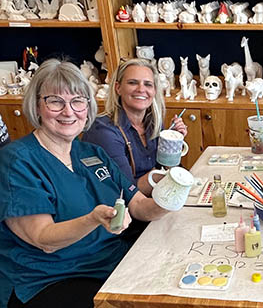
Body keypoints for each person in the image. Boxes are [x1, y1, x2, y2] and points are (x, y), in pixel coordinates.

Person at [0, 58, 172, 308]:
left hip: (110, 262)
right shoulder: (17, 161)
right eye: (55, 101)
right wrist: (93, 218)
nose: (69, 111)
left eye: (77, 101)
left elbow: (139, 207)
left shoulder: (91, 153)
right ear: (37, 106)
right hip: (51, 278)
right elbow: (43, 239)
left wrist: (173, 196)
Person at [82, 58, 187, 197]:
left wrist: (171, 146)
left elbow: (167, 167)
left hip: (153, 200)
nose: (141, 89)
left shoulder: (153, 123)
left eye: (148, 84)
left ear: (155, 90)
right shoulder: (104, 132)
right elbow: (126, 190)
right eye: (133, 83)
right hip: (121, 212)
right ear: (118, 88)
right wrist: (169, 176)